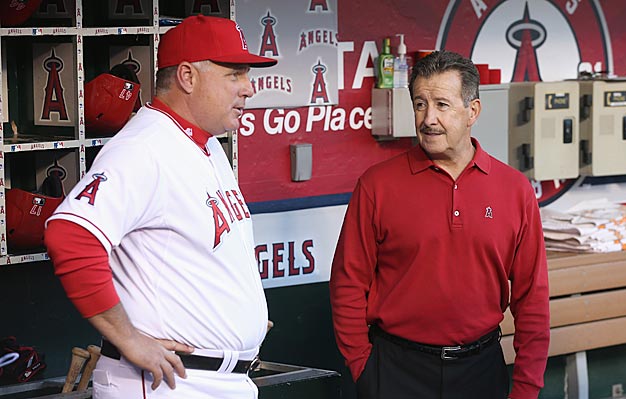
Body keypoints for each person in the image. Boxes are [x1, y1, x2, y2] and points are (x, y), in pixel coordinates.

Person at [44, 15, 276, 399]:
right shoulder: (143, 148)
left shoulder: (208, 145)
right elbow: (70, 236)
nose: (249, 89)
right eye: (234, 75)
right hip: (168, 384)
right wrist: (129, 339)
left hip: (219, 378)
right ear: (187, 76)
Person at [329, 50, 550, 399]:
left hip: (482, 371)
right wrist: (364, 368)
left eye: (442, 105)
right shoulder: (376, 185)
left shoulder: (515, 190)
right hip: (395, 371)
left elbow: (532, 300)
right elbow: (348, 282)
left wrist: (526, 389)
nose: (428, 118)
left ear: (472, 111)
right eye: (420, 104)